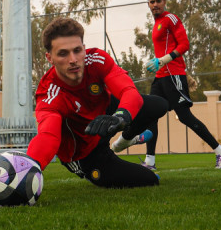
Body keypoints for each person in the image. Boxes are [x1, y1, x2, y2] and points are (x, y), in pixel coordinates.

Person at [26, 17, 168, 188]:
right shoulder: (50, 95)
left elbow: (129, 92)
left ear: (84, 49)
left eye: (77, 50)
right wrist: (29, 169)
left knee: (159, 105)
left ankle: (125, 140)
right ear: (50, 58)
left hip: (106, 115)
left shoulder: (96, 59)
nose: (73, 59)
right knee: (150, 179)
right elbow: (48, 136)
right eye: (63, 53)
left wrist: (121, 117)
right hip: (85, 152)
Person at [139, 0, 221, 170]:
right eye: (152, 2)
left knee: (184, 117)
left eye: (158, 1)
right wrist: (168, 65)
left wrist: (167, 62)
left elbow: (184, 45)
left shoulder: (171, 19)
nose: (155, 4)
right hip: (161, 76)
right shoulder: (156, 24)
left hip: (172, 76)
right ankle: (150, 162)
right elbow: (167, 49)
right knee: (150, 114)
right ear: (148, 4)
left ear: (164, 2)